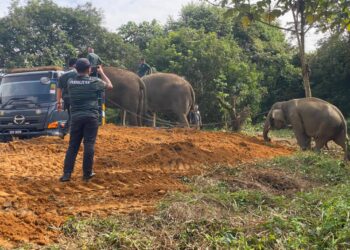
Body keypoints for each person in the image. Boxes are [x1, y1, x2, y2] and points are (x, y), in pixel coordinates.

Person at [59, 58, 113, 182]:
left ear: (76, 68)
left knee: (73, 146)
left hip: (76, 117)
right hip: (91, 117)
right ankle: (87, 173)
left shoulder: (70, 82)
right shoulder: (95, 81)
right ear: (89, 69)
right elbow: (110, 86)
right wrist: (101, 72)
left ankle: (67, 174)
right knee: (89, 144)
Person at [57, 58, 77, 139]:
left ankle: (64, 132)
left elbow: (59, 90)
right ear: (75, 65)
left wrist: (58, 102)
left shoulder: (62, 75)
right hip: (75, 98)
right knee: (74, 116)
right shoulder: (77, 73)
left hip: (66, 99)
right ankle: (64, 132)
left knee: (71, 115)